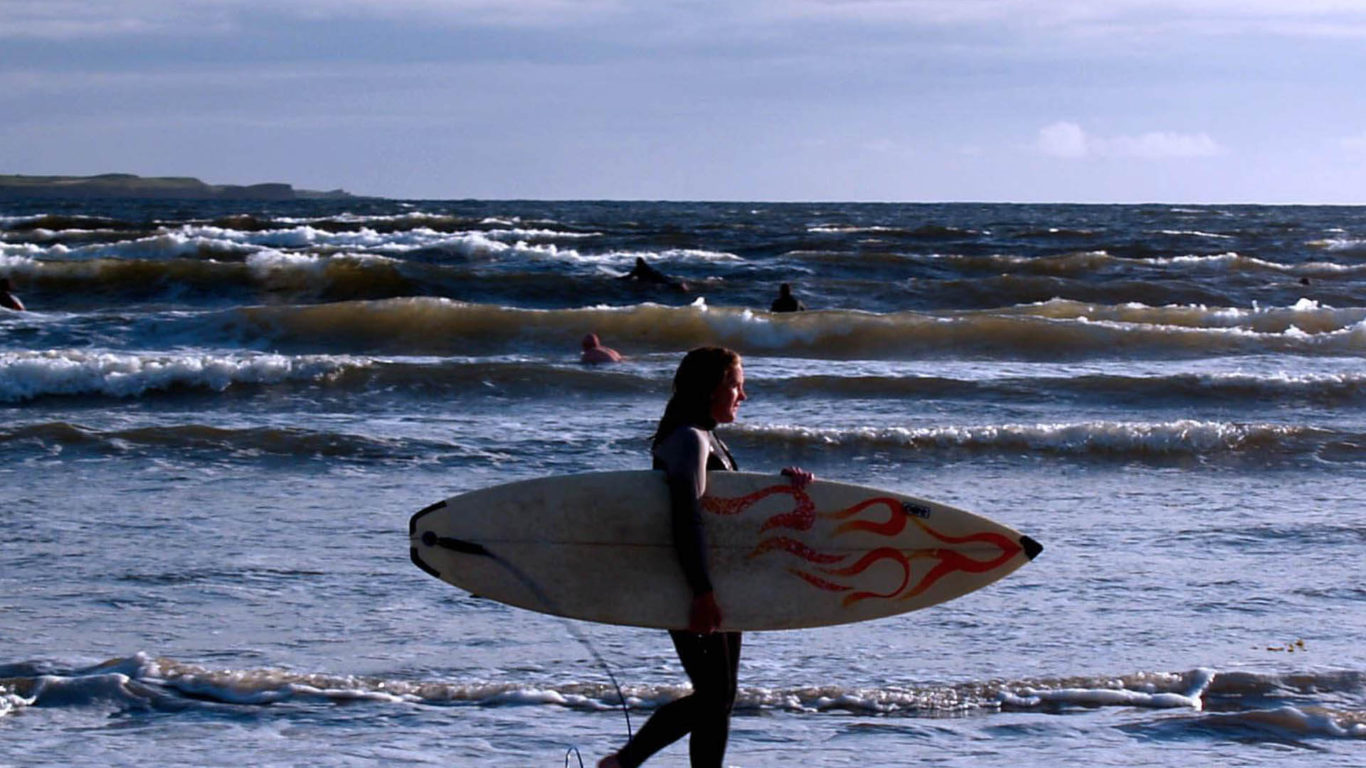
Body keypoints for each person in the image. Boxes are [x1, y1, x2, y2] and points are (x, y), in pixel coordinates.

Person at [600, 347, 812, 768]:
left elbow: (727, 512)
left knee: (720, 696)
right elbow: (686, 516)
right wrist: (701, 591)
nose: (743, 395)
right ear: (710, 387)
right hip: (692, 580)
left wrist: (782, 489)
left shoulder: (705, 436)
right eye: (736, 384)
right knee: (715, 695)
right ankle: (622, 763)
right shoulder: (688, 439)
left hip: (713, 578)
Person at [620, 257, 689, 291]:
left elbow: (629, 277)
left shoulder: (639, 269)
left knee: (667, 285)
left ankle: (680, 286)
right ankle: (680, 285)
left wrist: (618, 279)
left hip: (654, 278)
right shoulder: (646, 266)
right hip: (658, 275)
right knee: (667, 282)